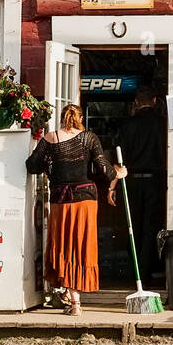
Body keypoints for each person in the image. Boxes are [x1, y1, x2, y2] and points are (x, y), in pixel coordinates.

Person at [26, 104, 126, 316]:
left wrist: (51, 164)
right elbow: (104, 169)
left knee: (64, 246)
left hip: (61, 199)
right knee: (81, 247)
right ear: (80, 119)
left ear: (62, 118)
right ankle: (73, 299)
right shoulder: (89, 138)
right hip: (86, 200)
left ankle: (72, 300)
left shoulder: (51, 138)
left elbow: (32, 165)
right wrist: (119, 172)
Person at [115, 86, 167, 287]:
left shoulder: (128, 125)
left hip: (132, 179)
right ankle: (147, 271)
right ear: (154, 100)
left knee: (133, 225)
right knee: (151, 226)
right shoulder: (162, 124)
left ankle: (137, 273)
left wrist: (113, 185)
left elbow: (119, 156)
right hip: (155, 180)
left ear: (136, 102)